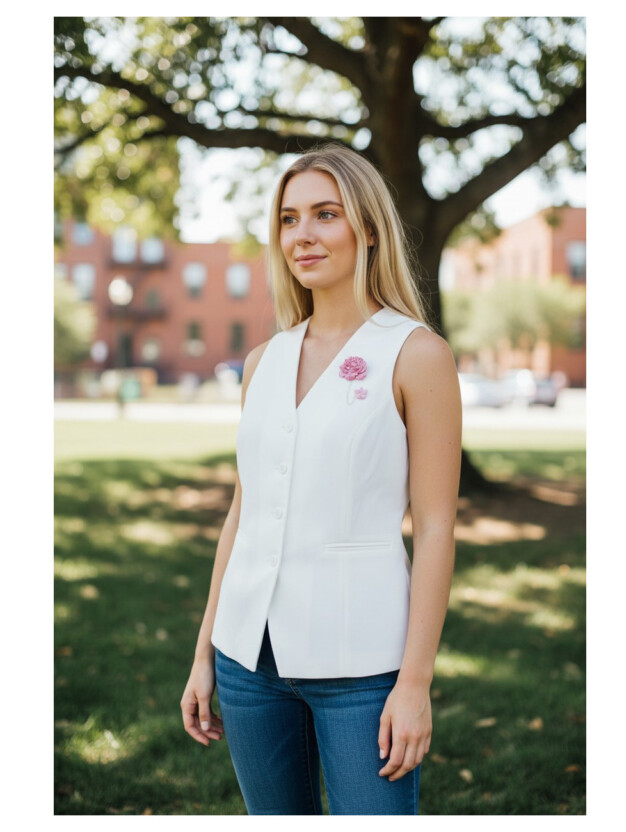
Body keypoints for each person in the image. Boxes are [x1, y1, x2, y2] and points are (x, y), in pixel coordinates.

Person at [180, 143, 462, 815]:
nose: (302, 235)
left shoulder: (417, 354)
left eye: (325, 214)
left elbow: (437, 528)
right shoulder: (262, 362)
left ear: (366, 228)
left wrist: (414, 682)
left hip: (363, 669)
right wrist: (204, 654)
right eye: (288, 219)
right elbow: (243, 513)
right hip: (248, 665)